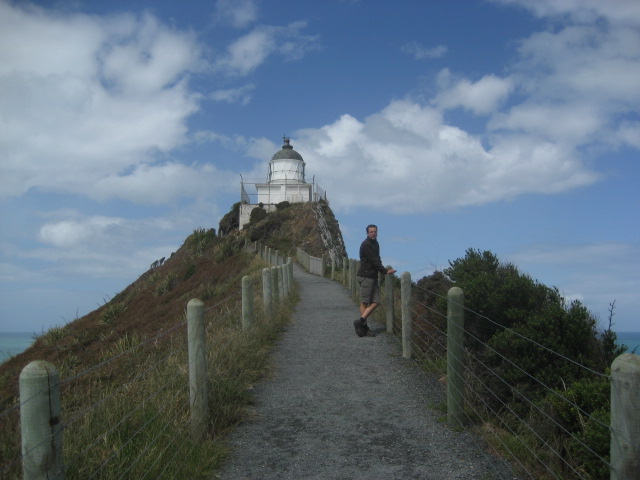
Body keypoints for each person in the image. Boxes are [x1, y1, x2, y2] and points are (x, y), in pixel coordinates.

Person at [354, 224, 396, 337]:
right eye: (371, 232)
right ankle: (364, 328)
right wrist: (385, 271)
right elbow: (373, 260)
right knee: (365, 302)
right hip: (365, 276)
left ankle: (361, 321)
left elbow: (378, 258)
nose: (373, 233)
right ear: (367, 233)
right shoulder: (366, 244)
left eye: (375, 231)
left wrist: (383, 269)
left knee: (376, 301)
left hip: (373, 276)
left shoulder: (375, 243)